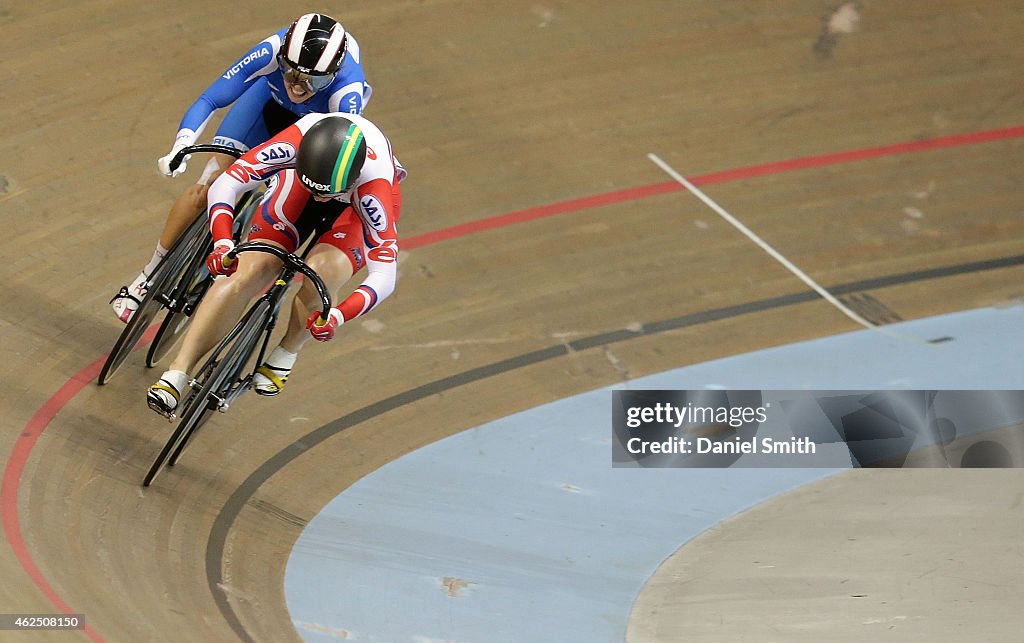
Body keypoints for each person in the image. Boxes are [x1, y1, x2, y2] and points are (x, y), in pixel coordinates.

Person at [111, 13, 373, 322]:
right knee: (206, 188)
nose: (298, 87)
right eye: (290, 73)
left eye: (312, 81)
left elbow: (337, 155)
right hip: (267, 106)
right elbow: (211, 99)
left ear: (333, 74)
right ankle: (148, 276)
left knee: (286, 203)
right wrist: (181, 144)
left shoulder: (347, 93)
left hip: (313, 132)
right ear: (281, 58)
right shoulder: (270, 50)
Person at [146, 111, 404, 416]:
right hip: (296, 180)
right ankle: (177, 373)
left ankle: (289, 348)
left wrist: (338, 315)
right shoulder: (294, 143)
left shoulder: (374, 190)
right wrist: (224, 242)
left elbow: (385, 275)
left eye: (325, 192)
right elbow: (228, 184)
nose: (319, 197)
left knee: (323, 273)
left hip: (352, 212)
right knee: (249, 269)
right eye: (315, 189)